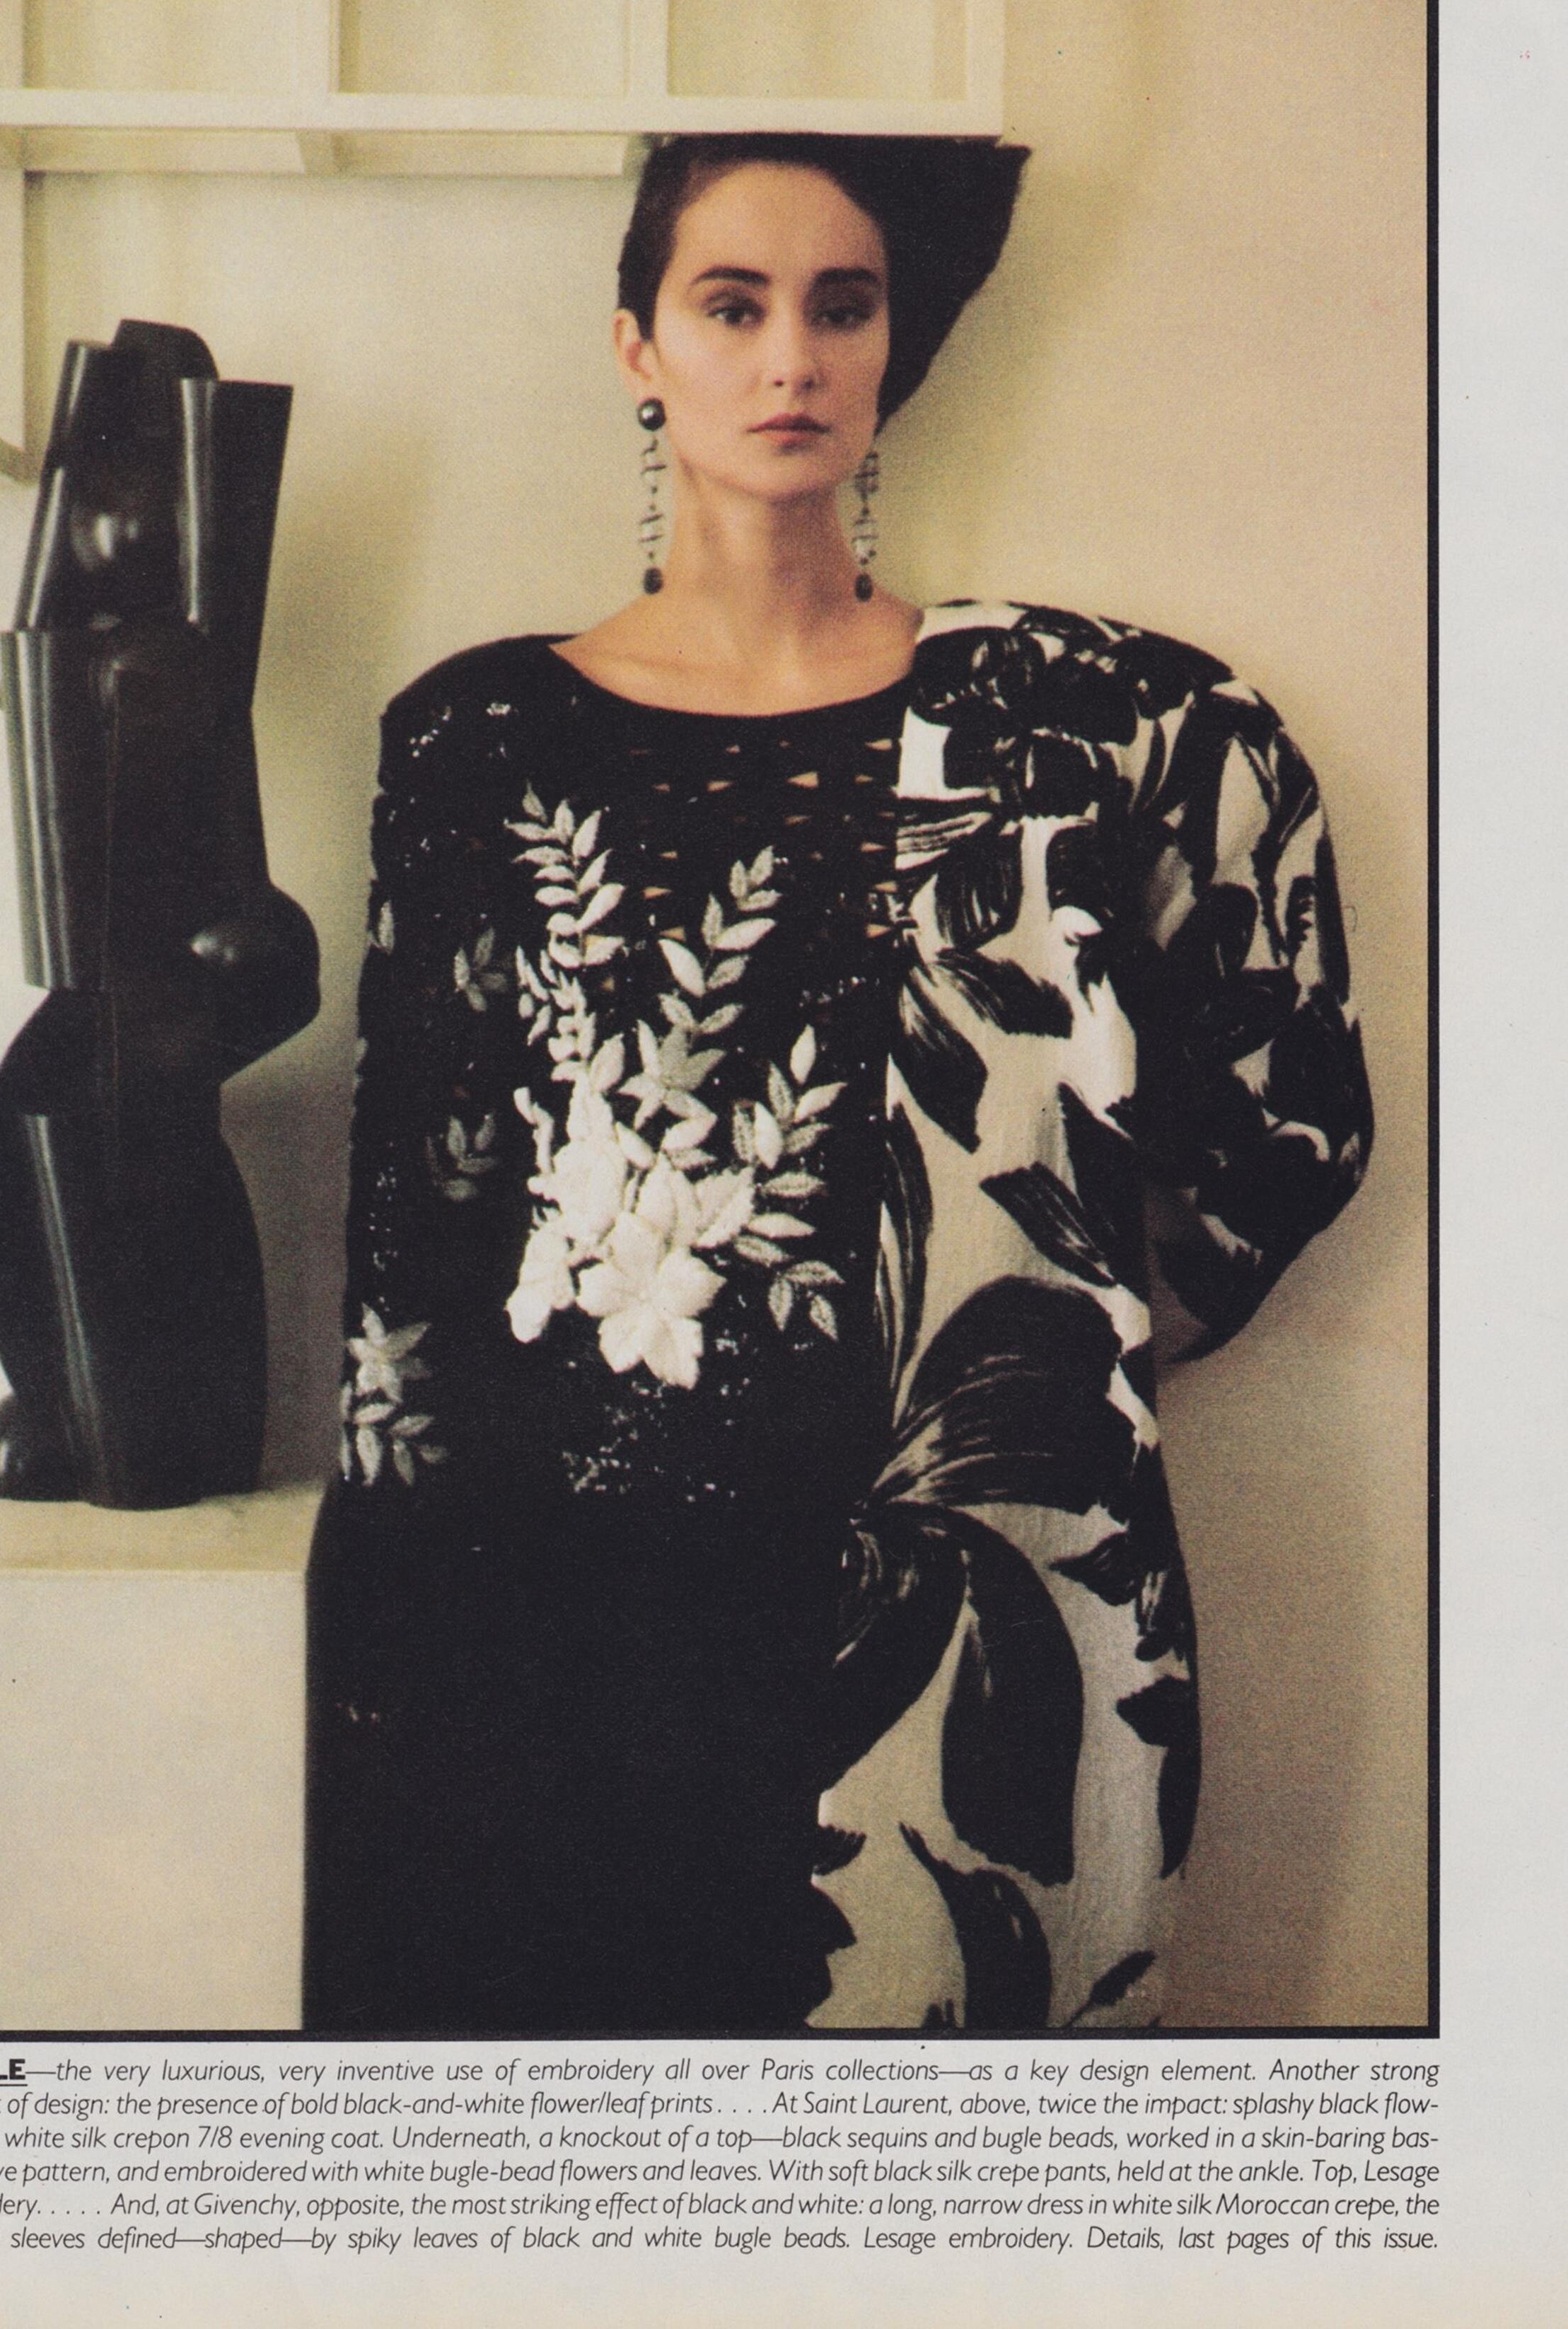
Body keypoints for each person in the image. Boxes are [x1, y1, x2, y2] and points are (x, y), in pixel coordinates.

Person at [303, 133, 1372, 2037]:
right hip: (566, 1609)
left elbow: (1294, 1096)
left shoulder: (1065, 724)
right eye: (732, 306)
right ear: (639, 348)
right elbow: (419, 1238)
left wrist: (1057, 1344)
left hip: (933, 1607)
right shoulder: (476, 738)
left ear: (892, 352)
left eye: (843, 307)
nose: (791, 356)